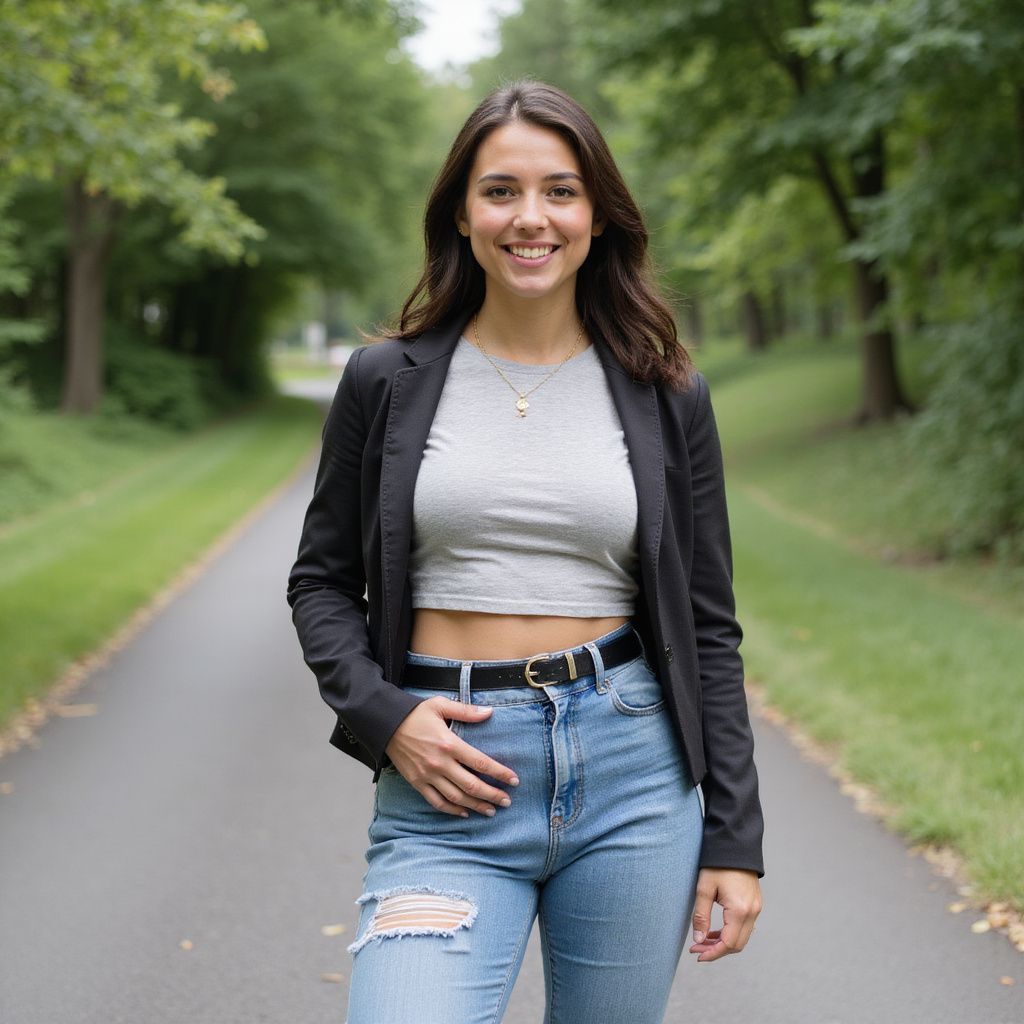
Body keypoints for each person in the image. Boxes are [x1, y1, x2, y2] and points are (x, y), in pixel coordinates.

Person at [287, 79, 764, 1024]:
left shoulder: (667, 392)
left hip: (635, 770)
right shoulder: (387, 380)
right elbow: (321, 583)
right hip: (449, 769)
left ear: (597, 215)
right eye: (500, 190)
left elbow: (708, 627)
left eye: (560, 190)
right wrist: (386, 715)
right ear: (462, 215)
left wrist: (735, 838)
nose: (530, 217)